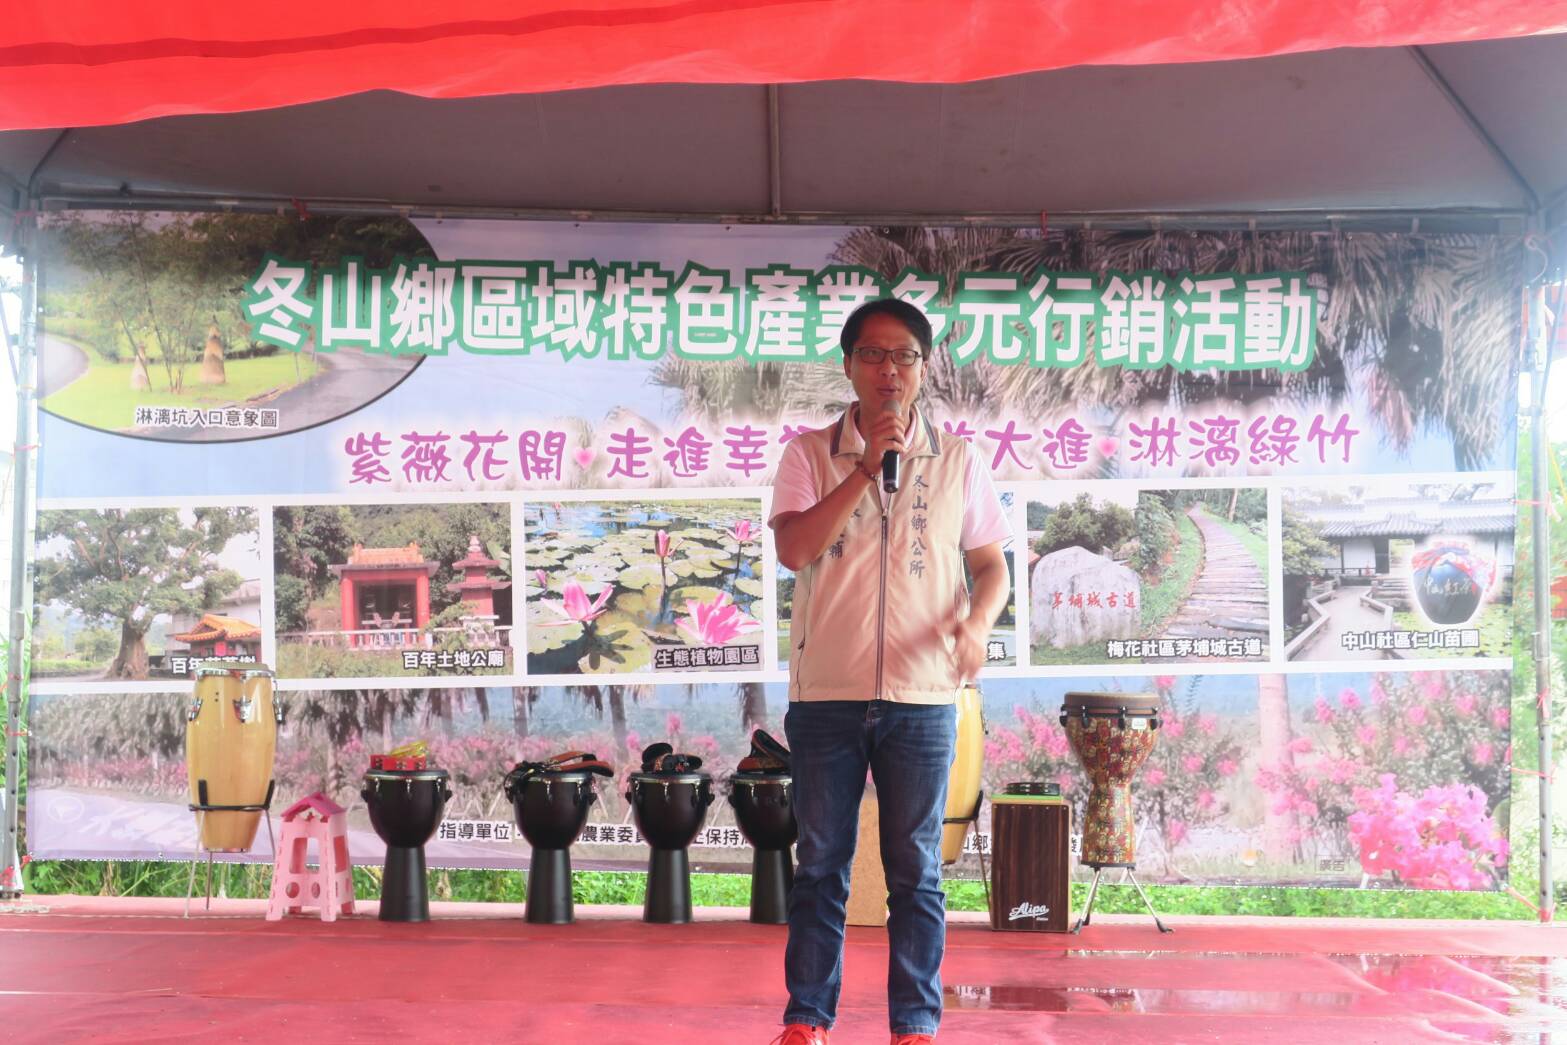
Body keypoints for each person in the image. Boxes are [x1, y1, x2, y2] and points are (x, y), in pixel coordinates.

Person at [767, 299, 1011, 1045]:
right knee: (820, 868)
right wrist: (866, 468)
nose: (888, 371)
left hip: (923, 695)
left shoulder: (960, 459)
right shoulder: (807, 455)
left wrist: (977, 623)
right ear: (847, 366)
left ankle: (914, 1023)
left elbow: (989, 564)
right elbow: (793, 550)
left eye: (904, 356)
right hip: (827, 696)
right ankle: (808, 1017)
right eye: (872, 355)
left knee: (916, 872)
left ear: (923, 368)